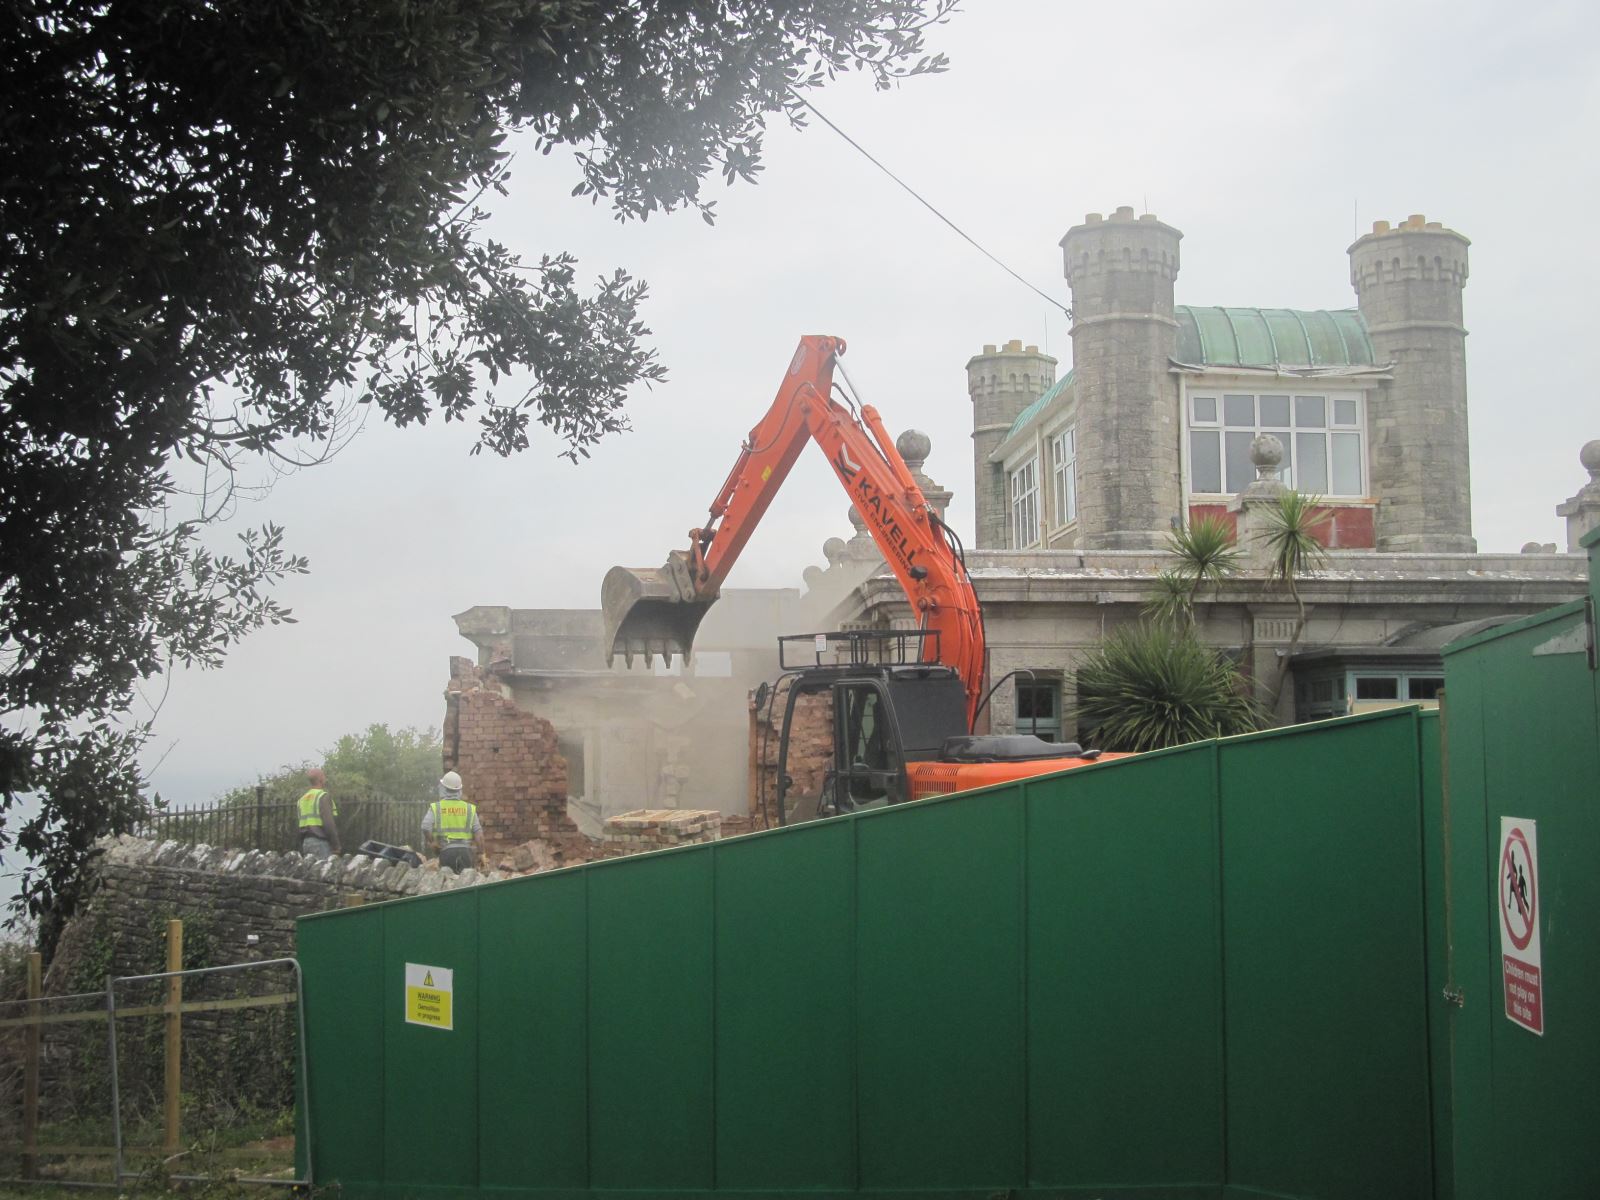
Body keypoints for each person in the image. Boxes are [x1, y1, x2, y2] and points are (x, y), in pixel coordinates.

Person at [422, 771, 482, 873]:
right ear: (460, 790)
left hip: (446, 852)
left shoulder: (436, 807)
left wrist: (433, 842)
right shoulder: (469, 809)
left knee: (448, 884)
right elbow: (479, 834)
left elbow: (425, 826)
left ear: (444, 788)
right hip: (466, 853)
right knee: (465, 884)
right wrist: (481, 853)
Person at [295, 768, 341, 859]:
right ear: (320, 779)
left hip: (306, 843)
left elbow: (299, 826)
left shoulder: (301, 800)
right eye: (324, 776)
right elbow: (329, 824)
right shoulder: (323, 796)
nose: (325, 778)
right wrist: (336, 846)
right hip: (321, 844)